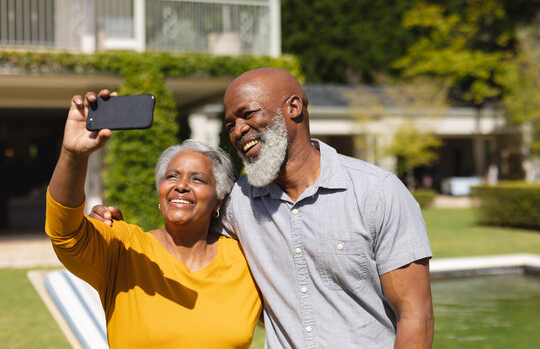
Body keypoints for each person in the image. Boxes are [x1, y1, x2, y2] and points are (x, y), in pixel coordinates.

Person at [93, 68, 434, 348]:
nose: (239, 131)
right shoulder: (238, 202)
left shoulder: (377, 192)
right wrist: (112, 225)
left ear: (294, 108)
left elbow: (415, 315)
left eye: (247, 115)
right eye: (230, 124)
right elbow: (189, 229)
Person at [46, 90, 261, 348]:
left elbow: (296, 317)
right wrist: (73, 154)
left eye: (197, 179)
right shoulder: (125, 249)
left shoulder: (246, 259)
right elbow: (65, 232)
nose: (181, 185)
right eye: (172, 177)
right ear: (160, 195)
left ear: (219, 200)